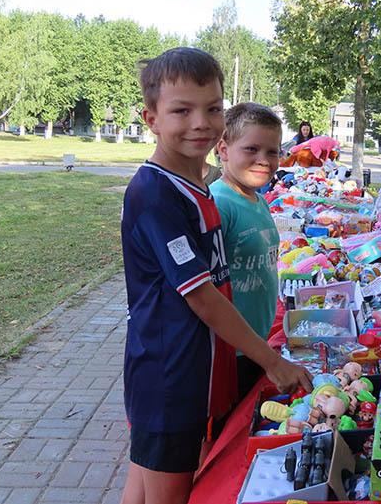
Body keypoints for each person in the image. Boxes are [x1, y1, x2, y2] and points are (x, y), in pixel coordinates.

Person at [120, 47, 312, 504]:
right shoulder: (156, 195)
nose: (200, 123)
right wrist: (272, 361)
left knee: (144, 486)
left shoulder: (196, 186)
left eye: (212, 109)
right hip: (169, 377)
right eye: (181, 111)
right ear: (151, 119)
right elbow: (202, 297)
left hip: (192, 372)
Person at [210, 102, 282, 400]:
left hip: (255, 344)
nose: (263, 160)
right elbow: (205, 292)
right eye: (251, 149)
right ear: (224, 149)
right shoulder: (218, 204)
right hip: (231, 352)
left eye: (272, 151)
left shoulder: (259, 200)